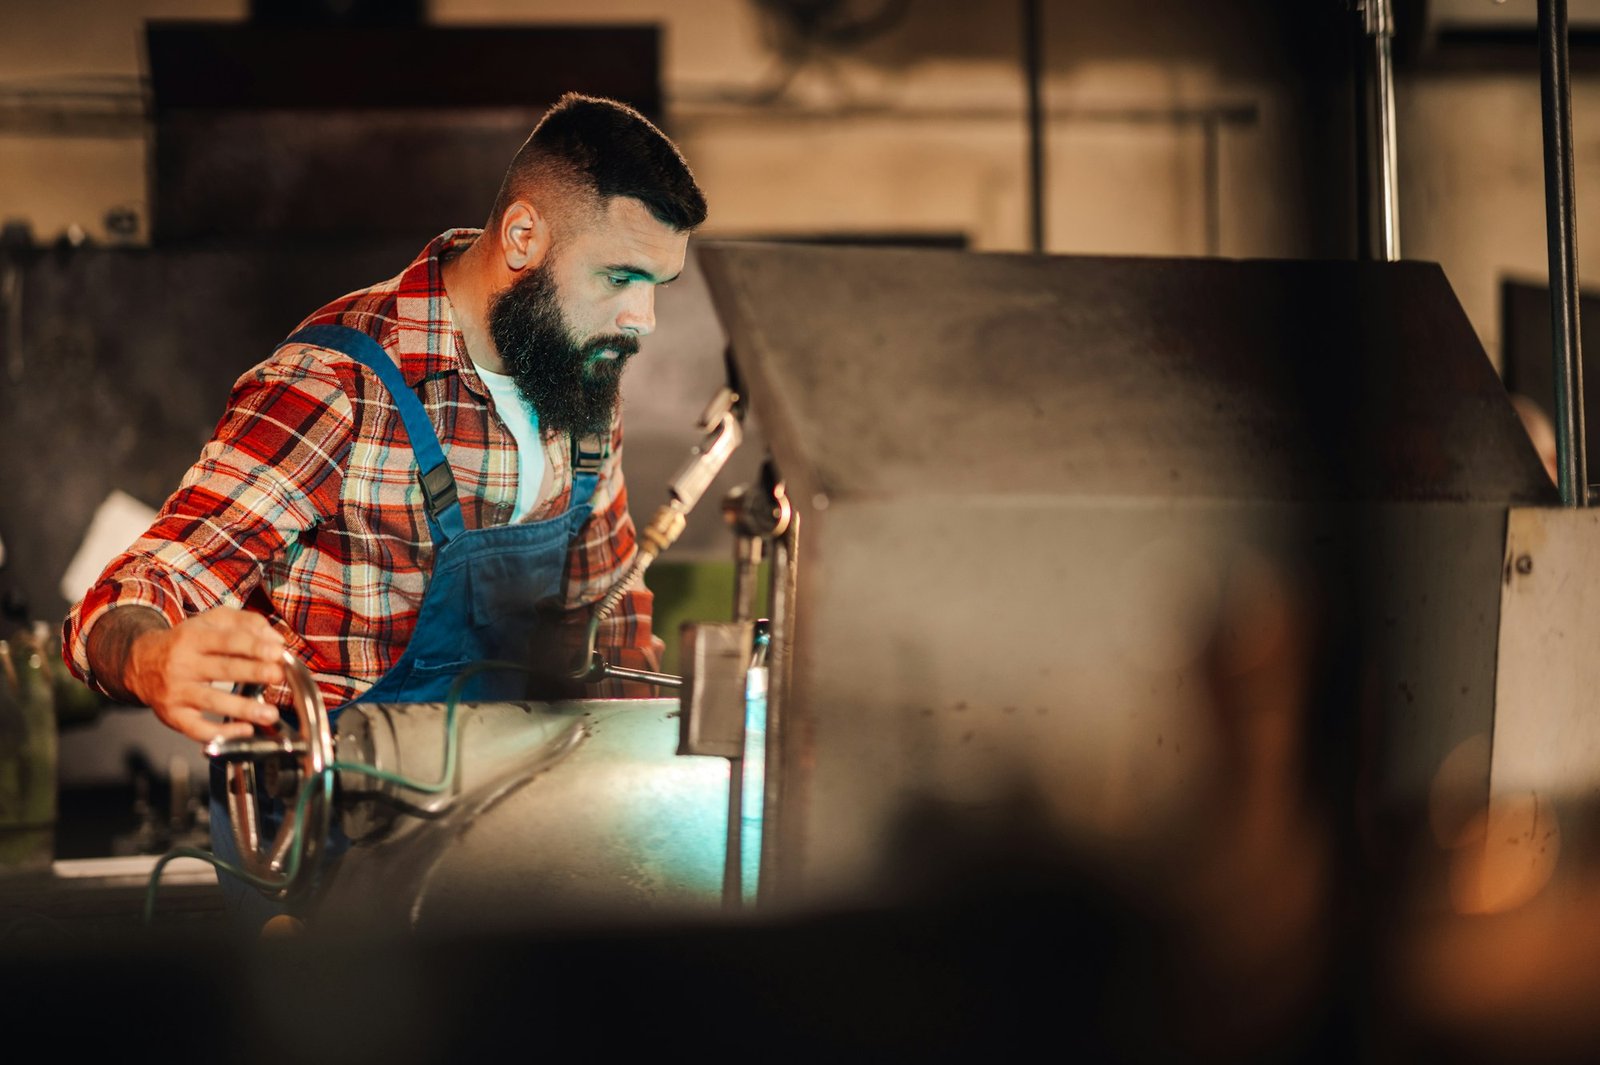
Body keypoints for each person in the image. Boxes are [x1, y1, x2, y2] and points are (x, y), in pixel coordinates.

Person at [61, 95, 704, 909]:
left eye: (660, 283)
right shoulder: (337, 386)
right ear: (522, 237)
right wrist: (152, 658)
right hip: (325, 874)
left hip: (513, 858)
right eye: (621, 276)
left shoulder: (580, 384)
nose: (642, 319)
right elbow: (126, 595)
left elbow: (608, 623)